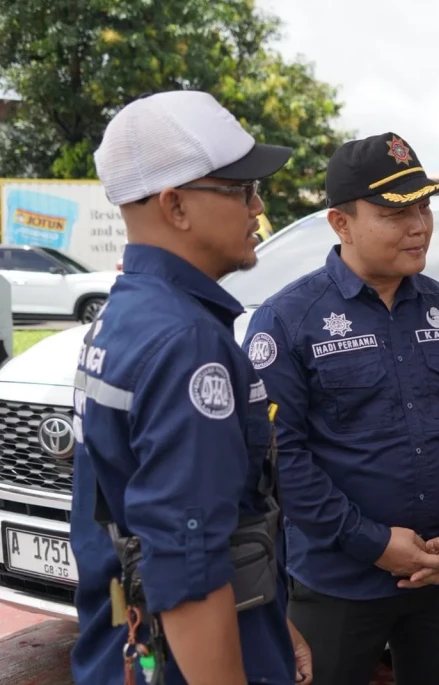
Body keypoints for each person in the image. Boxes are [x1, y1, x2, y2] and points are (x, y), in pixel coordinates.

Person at [70, 90, 311, 684]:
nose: (258, 207)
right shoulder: (186, 342)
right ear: (175, 206)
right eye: (241, 190)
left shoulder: (126, 314)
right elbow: (187, 568)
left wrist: (273, 621)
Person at [242, 132, 439, 685]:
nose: (419, 226)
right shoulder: (288, 320)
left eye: (424, 208)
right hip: (340, 582)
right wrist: (374, 544)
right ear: (341, 223)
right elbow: (282, 456)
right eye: (395, 213)